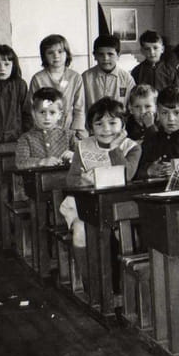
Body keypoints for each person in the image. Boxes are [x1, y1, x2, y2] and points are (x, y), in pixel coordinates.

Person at [62, 97, 141, 286]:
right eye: (99, 124)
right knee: (80, 231)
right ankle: (92, 284)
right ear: (91, 127)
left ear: (123, 125)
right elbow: (70, 179)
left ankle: (125, 285)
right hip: (85, 206)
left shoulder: (132, 147)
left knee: (126, 235)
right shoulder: (83, 147)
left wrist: (114, 149)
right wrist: (82, 180)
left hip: (120, 206)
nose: (106, 129)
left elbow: (127, 175)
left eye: (113, 123)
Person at [28, 34, 86, 139]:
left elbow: (79, 108)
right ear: (44, 56)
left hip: (69, 129)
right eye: (50, 52)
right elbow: (32, 106)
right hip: (44, 129)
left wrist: (75, 131)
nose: (56, 56)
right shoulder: (38, 78)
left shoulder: (75, 77)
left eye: (60, 51)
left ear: (67, 53)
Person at [137, 86, 179, 179]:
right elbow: (135, 170)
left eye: (177, 113)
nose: (171, 118)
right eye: (165, 113)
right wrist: (149, 170)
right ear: (157, 113)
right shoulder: (152, 138)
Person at [15, 87, 76, 169]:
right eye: (42, 112)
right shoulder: (26, 138)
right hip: (37, 177)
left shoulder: (69, 136)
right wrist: (41, 162)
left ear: (59, 115)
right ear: (33, 113)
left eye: (52, 112)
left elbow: (86, 154)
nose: (47, 117)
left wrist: (75, 156)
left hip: (65, 177)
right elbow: (20, 163)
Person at [82, 34, 135, 111]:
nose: (105, 58)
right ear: (95, 55)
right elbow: (80, 107)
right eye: (101, 54)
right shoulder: (85, 78)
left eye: (110, 54)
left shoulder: (127, 79)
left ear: (118, 55)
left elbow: (132, 106)